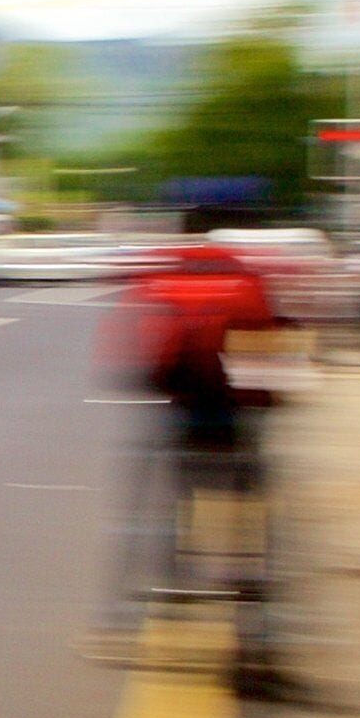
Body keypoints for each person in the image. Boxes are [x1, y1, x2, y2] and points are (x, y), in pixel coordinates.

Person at [97, 230, 280, 658]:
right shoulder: (245, 273)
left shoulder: (164, 270)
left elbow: (127, 347)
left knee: (174, 502)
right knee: (246, 510)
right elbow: (267, 343)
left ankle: (169, 586)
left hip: (178, 409)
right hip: (233, 413)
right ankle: (249, 617)